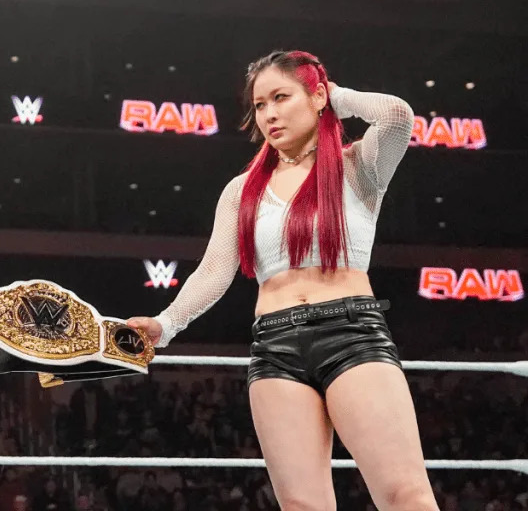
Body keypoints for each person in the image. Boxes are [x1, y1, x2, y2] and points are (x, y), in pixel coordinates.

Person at [128, 50, 437, 510]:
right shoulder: (241, 191)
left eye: (281, 97)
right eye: (259, 104)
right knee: (302, 507)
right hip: (274, 347)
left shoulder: (358, 166)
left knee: (406, 496)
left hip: (351, 333)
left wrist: (336, 96)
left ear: (316, 97)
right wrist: (165, 324)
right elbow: (214, 269)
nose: (269, 114)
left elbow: (397, 116)